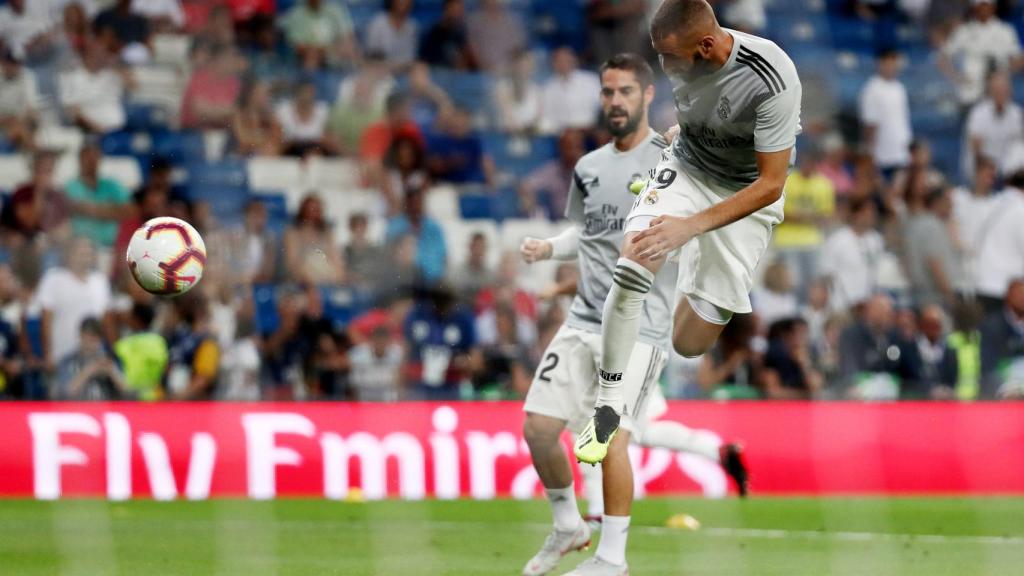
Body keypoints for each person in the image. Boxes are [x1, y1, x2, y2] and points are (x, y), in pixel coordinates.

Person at [519, 52, 748, 576]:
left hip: (641, 329)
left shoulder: (672, 159)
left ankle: (612, 559)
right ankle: (568, 526)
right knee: (538, 428)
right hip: (583, 319)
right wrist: (549, 249)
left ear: (646, 95)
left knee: (612, 436)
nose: (615, 101)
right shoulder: (588, 167)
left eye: (625, 91)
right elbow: (588, 234)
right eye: (607, 92)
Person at [577, 0, 801, 490]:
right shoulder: (682, 57)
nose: (664, 65)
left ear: (706, 45)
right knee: (634, 261)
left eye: (671, 56)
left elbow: (770, 184)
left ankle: (683, 263)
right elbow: (703, 113)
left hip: (747, 196)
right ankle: (609, 404)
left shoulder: (770, 77)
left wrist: (690, 228)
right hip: (687, 169)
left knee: (689, 343)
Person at [859, 48, 911, 179]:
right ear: (880, 64)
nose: (891, 67)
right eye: (887, 63)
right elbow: (870, 123)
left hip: (901, 151)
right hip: (882, 154)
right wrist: (870, 153)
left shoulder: (899, 88)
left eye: (894, 63)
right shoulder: (872, 89)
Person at [281, 0, 359, 70]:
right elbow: (297, 45)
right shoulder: (296, 15)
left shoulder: (335, 10)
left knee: (351, 53)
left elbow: (347, 38)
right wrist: (319, 51)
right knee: (310, 59)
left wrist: (334, 49)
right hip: (308, 56)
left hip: (334, 53)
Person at [979, 278, 1024, 399]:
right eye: (1019, 294)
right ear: (1008, 297)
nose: (1022, 299)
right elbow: (987, 367)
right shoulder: (991, 326)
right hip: (1003, 387)